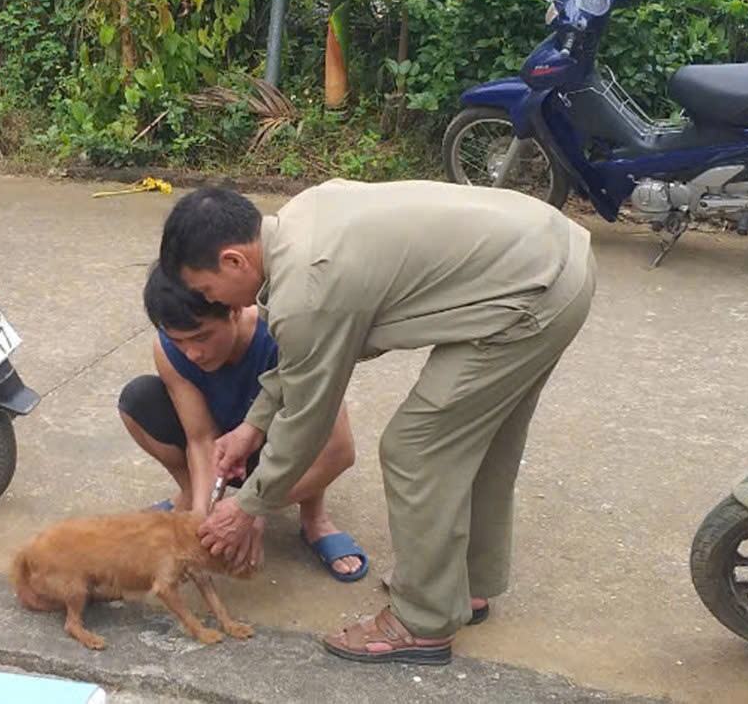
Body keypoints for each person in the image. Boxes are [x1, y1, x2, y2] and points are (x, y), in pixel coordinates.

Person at [159, 179, 595, 664]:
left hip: (531, 296)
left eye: (207, 289)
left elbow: (308, 417)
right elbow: (302, 359)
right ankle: (461, 586)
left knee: (415, 449)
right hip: (555, 258)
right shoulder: (300, 220)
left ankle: (423, 622)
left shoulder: (309, 289)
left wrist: (247, 507)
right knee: (478, 442)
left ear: (233, 260)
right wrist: (253, 425)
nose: (216, 303)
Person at [118, 264, 367, 581]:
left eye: (202, 336)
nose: (192, 353)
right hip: (226, 450)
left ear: (234, 310)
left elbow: (339, 451)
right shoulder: (169, 350)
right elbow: (200, 437)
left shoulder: (286, 336)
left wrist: (253, 508)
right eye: (178, 341)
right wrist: (202, 519)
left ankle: (314, 518)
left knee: (309, 427)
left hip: (283, 444)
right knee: (139, 400)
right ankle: (195, 496)